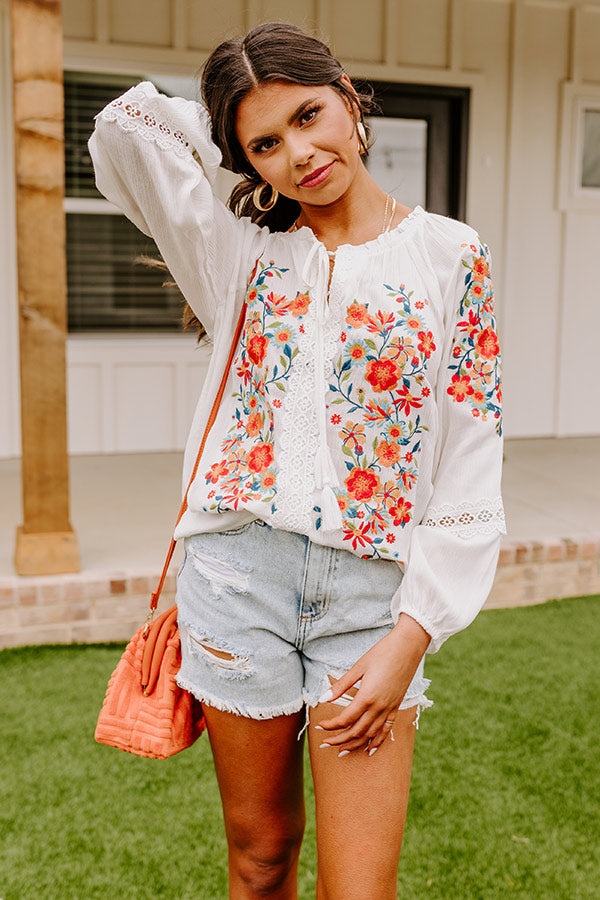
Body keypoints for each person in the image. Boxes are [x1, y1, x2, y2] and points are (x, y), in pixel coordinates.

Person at [89, 21, 505, 900]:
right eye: (267, 145)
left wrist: (413, 633)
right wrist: (235, 132)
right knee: (261, 858)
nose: (301, 155)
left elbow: (471, 451)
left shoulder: (451, 255)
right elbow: (127, 128)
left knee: (360, 888)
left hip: (373, 603)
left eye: (312, 115)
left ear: (351, 97)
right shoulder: (239, 252)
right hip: (238, 582)